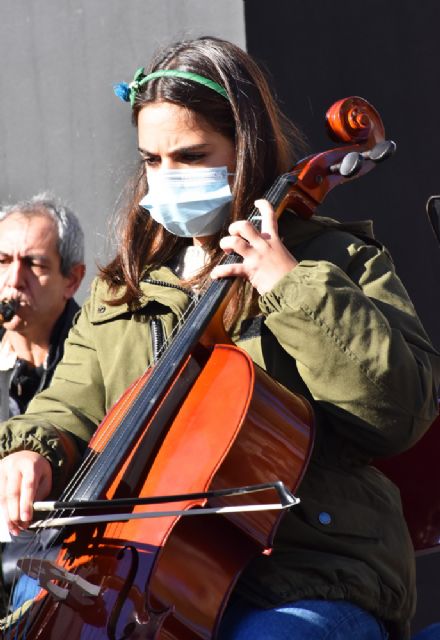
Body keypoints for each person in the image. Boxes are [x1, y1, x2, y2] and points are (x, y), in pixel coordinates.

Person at [0, 36, 438, 640]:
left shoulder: (338, 259)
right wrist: (35, 450)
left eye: (190, 156)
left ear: (245, 148)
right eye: (152, 160)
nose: (166, 178)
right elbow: (70, 403)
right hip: (152, 571)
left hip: (308, 574)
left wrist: (294, 288)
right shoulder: (125, 285)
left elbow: (399, 411)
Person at [0, 193, 85, 614]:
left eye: (34, 264)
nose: (13, 280)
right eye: (2, 260)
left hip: (63, 560)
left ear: (72, 280)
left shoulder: (94, 360)